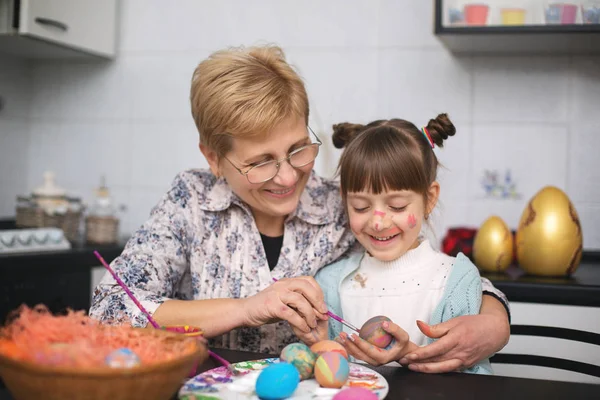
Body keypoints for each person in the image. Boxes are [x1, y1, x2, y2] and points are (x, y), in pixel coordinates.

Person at [89, 45, 510, 371]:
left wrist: (494, 322)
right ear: (213, 158)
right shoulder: (191, 201)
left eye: (298, 150)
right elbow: (109, 310)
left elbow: (422, 266)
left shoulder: (338, 205)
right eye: (259, 163)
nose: (288, 177)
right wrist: (246, 308)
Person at [303, 115, 495, 373]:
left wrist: (412, 356)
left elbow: (472, 381)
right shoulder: (331, 285)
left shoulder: (455, 281)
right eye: (361, 207)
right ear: (345, 200)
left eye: (397, 206)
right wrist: (319, 344)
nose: (378, 223)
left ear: (429, 199)